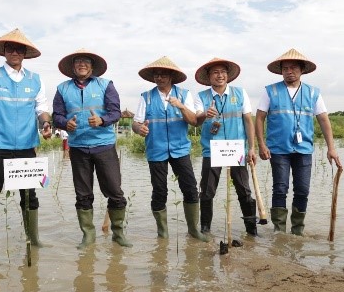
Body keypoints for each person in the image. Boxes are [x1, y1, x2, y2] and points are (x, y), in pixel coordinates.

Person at [0, 28, 52, 254]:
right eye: (10, 48)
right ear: (4, 52)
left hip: (27, 147)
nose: (15, 52)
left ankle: (33, 239)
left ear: (25, 53)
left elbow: (41, 108)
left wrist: (46, 124)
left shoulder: (35, 79)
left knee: (29, 194)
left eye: (19, 49)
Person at [255, 48, 342, 235]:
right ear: (281, 71)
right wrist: (261, 144)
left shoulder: (313, 93)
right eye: (285, 68)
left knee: (302, 190)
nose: (289, 71)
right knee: (280, 188)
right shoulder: (270, 91)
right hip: (278, 149)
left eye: (293, 68)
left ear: (302, 70)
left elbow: (324, 120)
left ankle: (297, 232)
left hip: (303, 148)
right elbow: (260, 117)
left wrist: (331, 148)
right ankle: (279, 232)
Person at [52, 48, 132, 248]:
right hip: (78, 147)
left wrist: (102, 120)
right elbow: (56, 116)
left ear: (92, 66)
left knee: (115, 191)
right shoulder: (62, 88)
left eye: (86, 61)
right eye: (78, 61)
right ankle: (88, 235)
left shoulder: (106, 85)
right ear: (72, 67)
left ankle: (118, 233)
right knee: (83, 193)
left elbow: (116, 113)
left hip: (104, 145)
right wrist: (64, 124)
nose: (82, 64)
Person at [132, 56, 208, 242]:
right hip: (155, 150)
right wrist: (139, 129)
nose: (159, 78)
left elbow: (193, 121)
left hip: (180, 149)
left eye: (164, 74)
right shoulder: (146, 97)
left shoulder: (184, 94)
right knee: (159, 191)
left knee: (190, 189)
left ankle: (193, 230)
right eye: (156, 75)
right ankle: (162, 233)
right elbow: (136, 122)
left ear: (172, 76)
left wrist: (181, 106)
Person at [194, 57, 258, 236]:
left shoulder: (240, 93)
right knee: (207, 191)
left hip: (236, 148)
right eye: (215, 72)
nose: (220, 75)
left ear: (228, 75)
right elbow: (197, 119)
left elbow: (248, 121)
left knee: (244, 190)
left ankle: (252, 231)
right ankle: (205, 230)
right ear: (209, 76)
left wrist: (252, 148)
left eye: (223, 72)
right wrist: (205, 115)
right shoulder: (202, 97)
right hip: (212, 149)